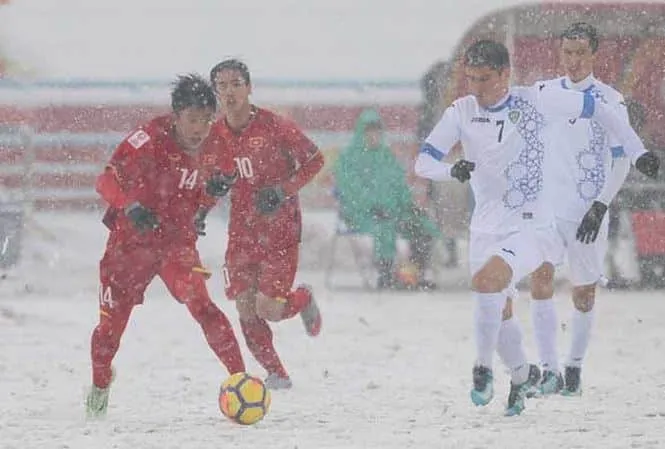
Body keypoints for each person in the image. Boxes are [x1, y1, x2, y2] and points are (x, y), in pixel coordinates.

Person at [414, 40, 659, 416]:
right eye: (470, 79)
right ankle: (521, 373)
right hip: (486, 227)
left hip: (532, 225)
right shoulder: (461, 111)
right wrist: (451, 170)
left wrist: (638, 151)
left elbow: (604, 112)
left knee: (495, 283)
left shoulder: (538, 100)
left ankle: (490, 370)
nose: (476, 88)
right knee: (498, 311)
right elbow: (423, 162)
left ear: (505, 75)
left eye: (484, 79)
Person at [86, 74, 246, 418]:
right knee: (109, 334)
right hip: (130, 246)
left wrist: (209, 200)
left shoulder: (217, 146)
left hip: (176, 244)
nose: (199, 128)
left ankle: (240, 379)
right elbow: (105, 179)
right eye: (192, 119)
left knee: (203, 306)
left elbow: (202, 194)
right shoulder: (148, 139)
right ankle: (99, 385)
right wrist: (129, 205)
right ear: (176, 116)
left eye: (206, 119)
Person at [527, 23, 649, 396]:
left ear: (594, 54)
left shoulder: (611, 100)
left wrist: (599, 206)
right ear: (559, 53)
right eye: (568, 52)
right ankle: (549, 370)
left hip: (586, 211)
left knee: (584, 293)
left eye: (581, 52)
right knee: (540, 280)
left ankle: (574, 368)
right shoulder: (543, 93)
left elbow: (621, 159)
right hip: (546, 208)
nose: (574, 60)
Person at [207, 59, 324, 389]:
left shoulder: (276, 126)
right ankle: (277, 373)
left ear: (249, 88)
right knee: (245, 307)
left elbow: (316, 160)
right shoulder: (215, 134)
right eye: (222, 86)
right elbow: (210, 176)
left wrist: (283, 190)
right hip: (241, 232)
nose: (230, 92)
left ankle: (302, 298)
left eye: (236, 84)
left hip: (280, 231)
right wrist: (209, 193)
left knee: (269, 308)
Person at [333, 108, 440, 290]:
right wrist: (372, 207)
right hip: (361, 214)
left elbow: (400, 186)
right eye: (369, 131)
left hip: (392, 211)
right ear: (361, 132)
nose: (373, 135)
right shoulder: (348, 158)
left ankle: (415, 273)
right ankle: (386, 274)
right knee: (384, 226)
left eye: (376, 131)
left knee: (421, 225)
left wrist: (410, 206)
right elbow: (351, 191)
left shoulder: (386, 156)